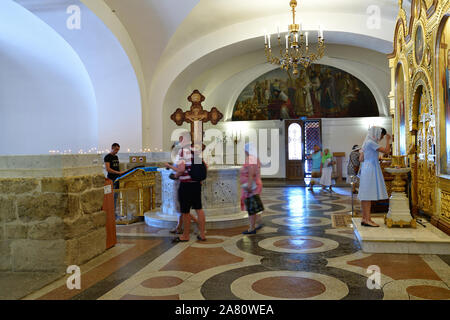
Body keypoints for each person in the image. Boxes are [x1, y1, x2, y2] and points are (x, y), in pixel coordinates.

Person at [165, 132, 207, 242]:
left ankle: (185, 236)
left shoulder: (183, 151)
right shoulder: (196, 151)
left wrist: (175, 175)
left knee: (185, 211)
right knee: (199, 209)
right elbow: (205, 166)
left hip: (186, 185)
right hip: (196, 184)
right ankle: (202, 234)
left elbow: (182, 169)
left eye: (180, 139)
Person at [358, 127, 391, 227]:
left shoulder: (366, 142)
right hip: (371, 169)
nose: (381, 138)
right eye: (382, 136)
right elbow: (386, 151)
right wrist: (388, 140)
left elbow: (361, 159)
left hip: (366, 168)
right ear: (378, 133)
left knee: (365, 194)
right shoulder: (371, 143)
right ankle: (368, 219)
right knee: (368, 194)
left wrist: (371, 157)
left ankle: (365, 218)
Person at [168, 141, 198, 235]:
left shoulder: (181, 158)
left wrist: (170, 167)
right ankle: (179, 227)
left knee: (182, 208)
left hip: (180, 184)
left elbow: (181, 170)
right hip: (180, 184)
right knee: (180, 208)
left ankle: (199, 224)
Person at [240, 143, 264, 234]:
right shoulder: (255, 158)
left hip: (252, 186)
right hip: (255, 184)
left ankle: (252, 227)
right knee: (254, 205)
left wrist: (249, 185)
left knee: (251, 207)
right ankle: (258, 221)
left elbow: (251, 172)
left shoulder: (251, 158)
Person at [104, 143, 125, 217]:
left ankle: (114, 212)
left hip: (117, 179)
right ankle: (109, 213)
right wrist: (118, 172)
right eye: (116, 149)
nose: (117, 151)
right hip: (111, 179)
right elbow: (108, 169)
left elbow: (116, 167)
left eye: (118, 150)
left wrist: (120, 173)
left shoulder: (116, 157)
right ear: (112, 148)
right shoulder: (107, 157)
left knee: (115, 196)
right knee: (110, 196)